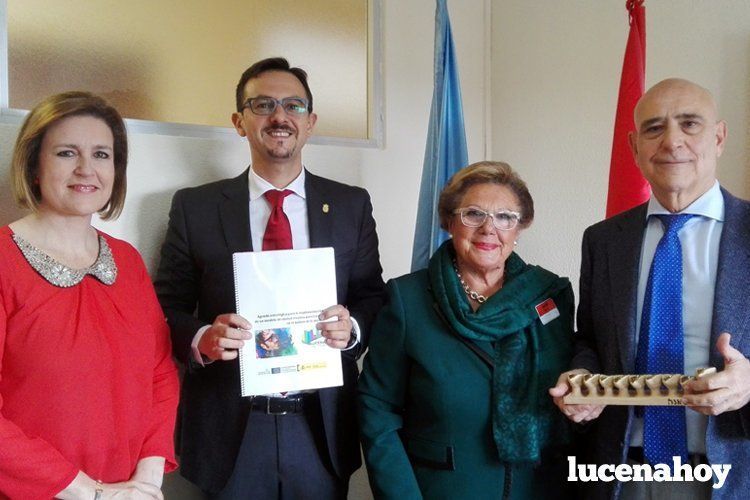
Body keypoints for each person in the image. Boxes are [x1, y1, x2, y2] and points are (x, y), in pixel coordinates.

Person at [154, 57, 386, 499]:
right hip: (230, 428)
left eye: (294, 106)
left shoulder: (351, 205)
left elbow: (372, 295)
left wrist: (351, 327)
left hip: (320, 426)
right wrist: (202, 336)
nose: (280, 117)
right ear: (240, 122)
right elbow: (164, 308)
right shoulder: (196, 207)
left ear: (311, 121)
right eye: (263, 105)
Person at [550, 78, 750, 500]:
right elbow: (591, 339)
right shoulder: (603, 240)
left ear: (719, 137)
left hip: (733, 470)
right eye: (654, 128)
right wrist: (582, 376)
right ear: (633, 146)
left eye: (690, 124)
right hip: (622, 470)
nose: (672, 141)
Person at [358, 161, 575, 499]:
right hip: (443, 488)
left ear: (519, 229)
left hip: (538, 488)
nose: (490, 228)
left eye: (505, 217)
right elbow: (376, 406)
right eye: (474, 214)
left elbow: (572, 386)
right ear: (449, 223)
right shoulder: (408, 299)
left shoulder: (549, 295)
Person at [0, 91, 179, 499]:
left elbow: (160, 375)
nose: (86, 169)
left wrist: (146, 482)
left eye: (102, 155)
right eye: (66, 153)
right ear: (33, 166)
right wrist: (91, 493)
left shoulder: (127, 261)